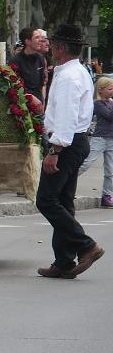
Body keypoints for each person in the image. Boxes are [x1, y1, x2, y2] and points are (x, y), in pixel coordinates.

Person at [35, 24, 104, 279]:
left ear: (61, 48)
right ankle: (63, 261)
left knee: (47, 200)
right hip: (75, 141)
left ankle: (87, 246)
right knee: (62, 200)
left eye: (53, 44)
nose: (50, 48)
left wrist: (54, 150)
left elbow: (65, 116)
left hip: (67, 142)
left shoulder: (68, 77)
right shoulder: (77, 71)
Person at [79, 75, 113, 208]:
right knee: (86, 163)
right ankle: (67, 184)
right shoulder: (97, 104)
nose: (112, 91)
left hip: (111, 139)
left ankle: (107, 195)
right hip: (100, 138)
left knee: (110, 170)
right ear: (101, 90)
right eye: (110, 89)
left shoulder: (111, 102)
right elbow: (109, 116)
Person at [10, 26, 47, 106]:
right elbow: (14, 87)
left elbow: (43, 84)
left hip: (39, 105)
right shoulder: (16, 61)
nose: (41, 40)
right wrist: (32, 99)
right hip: (23, 105)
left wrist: (43, 103)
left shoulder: (40, 58)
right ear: (27, 41)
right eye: (37, 37)